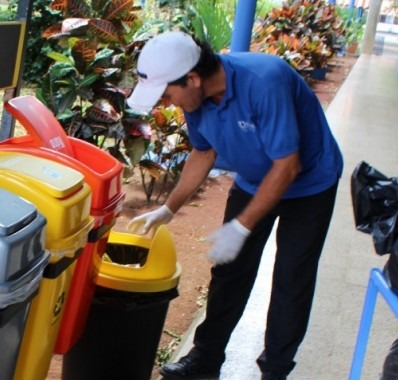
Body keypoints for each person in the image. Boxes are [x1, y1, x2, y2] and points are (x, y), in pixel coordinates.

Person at [126, 31, 343, 380]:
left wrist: (241, 227)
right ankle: (206, 359)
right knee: (229, 273)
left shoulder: (264, 81)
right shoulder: (194, 100)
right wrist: (169, 208)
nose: (166, 103)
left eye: (168, 94)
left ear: (193, 78)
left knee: (291, 278)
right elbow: (203, 151)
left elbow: (287, 166)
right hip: (254, 180)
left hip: (309, 185)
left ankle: (274, 370)